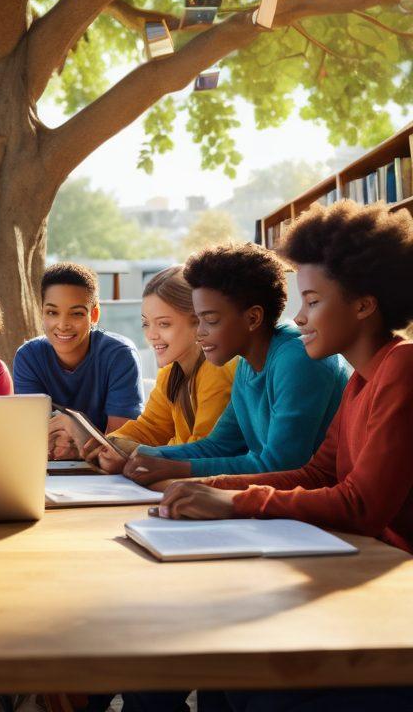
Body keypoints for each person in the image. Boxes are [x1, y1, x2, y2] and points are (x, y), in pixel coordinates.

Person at [151, 201, 413, 712]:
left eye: (312, 301)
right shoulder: (361, 379)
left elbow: (362, 506)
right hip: (364, 572)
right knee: (218, 660)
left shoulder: (401, 369)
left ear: (364, 305)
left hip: (395, 595)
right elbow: (318, 473)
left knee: (248, 680)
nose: (298, 316)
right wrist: (209, 489)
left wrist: (235, 502)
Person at [119, 242, 347, 488]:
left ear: (252, 318)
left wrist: (176, 468)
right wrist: (140, 456)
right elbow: (220, 445)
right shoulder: (248, 362)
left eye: (210, 320)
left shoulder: (298, 359)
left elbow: (281, 465)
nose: (200, 333)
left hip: (325, 509)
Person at [85, 266, 236, 472]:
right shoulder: (171, 372)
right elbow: (150, 428)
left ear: (198, 321)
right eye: (146, 324)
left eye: (164, 324)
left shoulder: (216, 370)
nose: (151, 335)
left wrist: (133, 453)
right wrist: (111, 443)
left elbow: (204, 451)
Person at [13, 262, 143, 460]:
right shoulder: (29, 357)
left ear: (94, 315)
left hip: (107, 474)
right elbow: (34, 439)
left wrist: (76, 428)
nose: (63, 324)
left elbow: (121, 446)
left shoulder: (119, 355)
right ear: (42, 312)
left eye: (76, 314)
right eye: (52, 312)